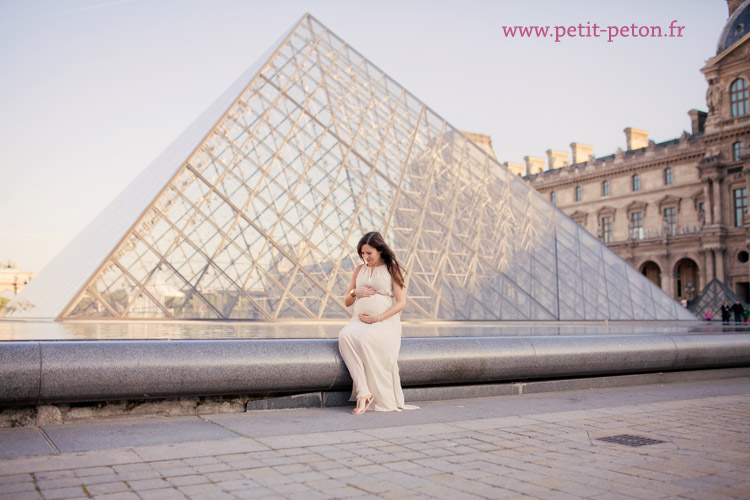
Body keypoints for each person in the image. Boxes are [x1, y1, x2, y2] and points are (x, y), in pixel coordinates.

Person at [338, 232, 419, 415]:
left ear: (380, 250)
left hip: (384, 322)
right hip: (358, 321)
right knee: (345, 336)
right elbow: (347, 301)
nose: (365, 257)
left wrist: (378, 318)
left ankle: (370, 395)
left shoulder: (392, 269)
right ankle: (364, 393)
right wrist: (355, 293)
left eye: (369, 253)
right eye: (362, 253)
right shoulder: (359, 270)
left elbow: (401, 303)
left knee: (366, 339)